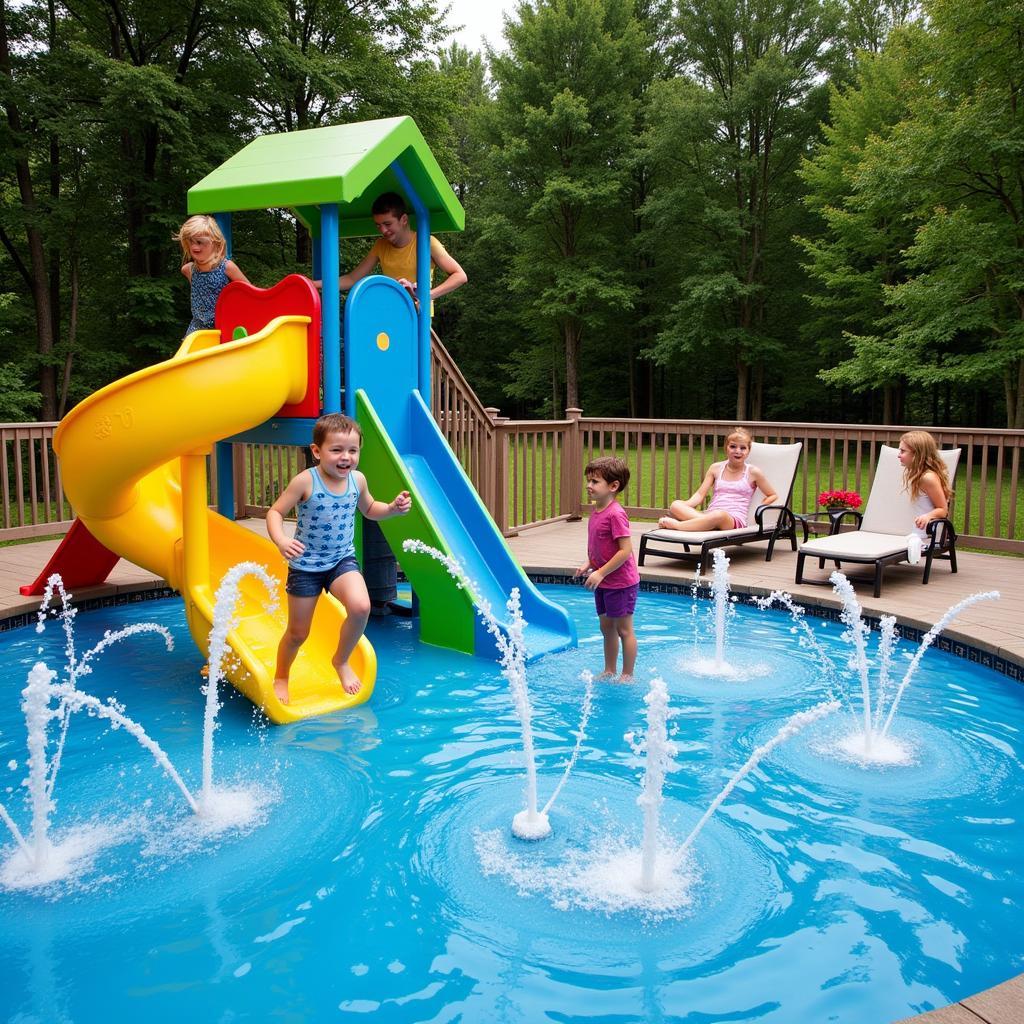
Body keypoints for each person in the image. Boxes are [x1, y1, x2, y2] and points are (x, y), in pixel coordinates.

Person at [267, 413, 412, 705]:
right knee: (298, 633)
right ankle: (282, 675)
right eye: (336, 450)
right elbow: (275, 512)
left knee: (360, 607)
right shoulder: (305, 481)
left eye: (352, 451)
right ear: (317, 451)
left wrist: (393, 509)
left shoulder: (357, 480)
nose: (345, 457)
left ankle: (341, 660)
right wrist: (282, 540)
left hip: (340, 561)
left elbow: (370, 509)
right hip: (306, 567)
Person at [330, 192, 467, 302]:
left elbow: (460, 275)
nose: (383, 230)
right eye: (378, 225)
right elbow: (352, 279)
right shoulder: (380, 245)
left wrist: (426, 296)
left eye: (388, 224)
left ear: (404, 220)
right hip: (391, 312)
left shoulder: (426, 243)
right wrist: (314, 284)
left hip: (417, 316)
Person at [574, 456, 639, 682]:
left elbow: (625, 550)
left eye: (595, 482)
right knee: (606, 627)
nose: (589, 486)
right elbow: (601, 546)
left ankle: (627, 674)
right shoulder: (596, 511)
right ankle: (610, 669)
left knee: (623, 629)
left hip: (620, 582)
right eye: (589, 480)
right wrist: (589, 564)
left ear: (613, 486)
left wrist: (600, 572)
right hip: (603, 579)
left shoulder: (615, 514)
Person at [656, 427, 776, 533]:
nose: (738, 451)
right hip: (710, 514)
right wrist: (685, 505)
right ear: (726, 448)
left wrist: (760, 507)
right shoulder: (716, 468)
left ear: (748, 451)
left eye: (743, 448)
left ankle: (677, 525)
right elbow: (699, 494)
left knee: (719, 515)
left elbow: (772, 495)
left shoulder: (753, 472)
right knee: (676, 505)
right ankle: (706, 524)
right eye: (733, 446)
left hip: (732, 520)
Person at [174, 215, 249, 336]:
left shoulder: (227, 267)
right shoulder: (189, 270)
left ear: (215, 243)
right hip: (197, 329)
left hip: (223, 326)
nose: (194, 247)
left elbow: (249, 292)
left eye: (199, 242)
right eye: (191, 242)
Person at [897, 430, 952, 537]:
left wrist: (928, 516)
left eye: (903, 451)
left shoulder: (928, 478)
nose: (898, 455)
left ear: (917, 454)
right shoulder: (916, 474)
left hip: (922, 536)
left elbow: (943, 510)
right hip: (912, 533)